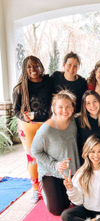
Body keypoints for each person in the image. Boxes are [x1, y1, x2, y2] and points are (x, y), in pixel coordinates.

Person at [12, 55, 54, 203]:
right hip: (28, 126)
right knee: (32, 159)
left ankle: (50, 187)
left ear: (40, 66)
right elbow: (16, 110)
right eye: (29, 67)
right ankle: (35, 190)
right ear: (25, 69)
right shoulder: (20, 88)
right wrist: (24, 117)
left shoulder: (49, 82)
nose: (33, 69)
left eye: (35, 65)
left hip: (47, 125)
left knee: (49, 156)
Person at [31, 90, 80, 215]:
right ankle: (44, 188)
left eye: (68, 106)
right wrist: (54, 164)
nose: (65, 110)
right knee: (57, 210)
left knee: (77, 202)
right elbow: (35, 151)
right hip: (51, 172)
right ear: (53, 108)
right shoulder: (46, 129)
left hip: (72, 170)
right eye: (60, 107)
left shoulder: (74, 122)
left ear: (73, 108)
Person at [76, 90, 100, 163]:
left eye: (95, 101)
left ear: (99, 102)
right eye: (88, 103)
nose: (92, 105)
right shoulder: (78, 120)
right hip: (85, 160)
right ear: (84, 106)